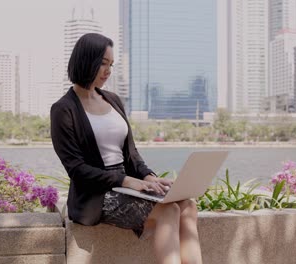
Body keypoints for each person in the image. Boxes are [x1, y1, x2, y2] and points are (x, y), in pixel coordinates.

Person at [50, 33, 202, 264]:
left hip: (127, 185)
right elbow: (77, 169)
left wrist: (150, 177)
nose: (108, 70)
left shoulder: (112, 99)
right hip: (95, 195)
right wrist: (126, 181)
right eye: (103, 63)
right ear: (85, 60)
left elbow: (131, 154)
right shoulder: (63, 109)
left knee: (188, 205)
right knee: (169, 211)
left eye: (111, 64)